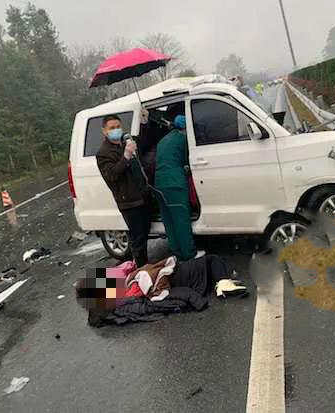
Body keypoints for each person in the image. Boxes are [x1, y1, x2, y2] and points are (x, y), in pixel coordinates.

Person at [75, 254, 248, 326]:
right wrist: (197, 301)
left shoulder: (124, 287)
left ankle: (223, 281)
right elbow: (159, 297)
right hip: (174, 278)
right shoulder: (129, 294)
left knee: (210, 263)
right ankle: (223, 283)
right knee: (211, 260)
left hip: (173, 275)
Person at [96, 110, 151, 267]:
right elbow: (111, 175)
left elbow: (144, 142)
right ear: (104, 131)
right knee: (137, 238)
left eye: (118, 126)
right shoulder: (103, 153)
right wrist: (125, 156)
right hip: (129, 202)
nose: (116, 130)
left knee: (145, 232)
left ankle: (145, 265)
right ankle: (142, 269)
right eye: (112, 127)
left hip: (142, 196)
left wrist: (145, 123)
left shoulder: (125, 142)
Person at [154, 114, 203, 261]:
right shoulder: (183, 140)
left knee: (169, 220)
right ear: (185, 128)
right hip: (174, 183)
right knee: (181, 219)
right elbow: (187, 161)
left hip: (159, 184)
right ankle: (189, 254)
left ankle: (177, 253)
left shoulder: (163, 140)